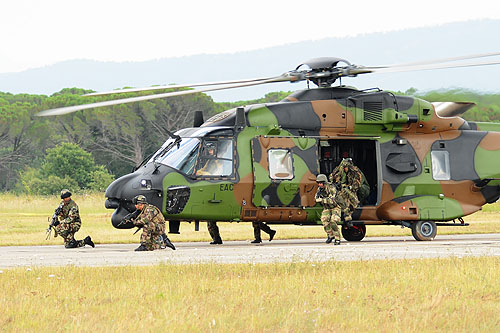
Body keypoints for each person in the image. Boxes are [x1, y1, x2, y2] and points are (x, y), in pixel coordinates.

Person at [329, 158, 367, 226]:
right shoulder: (339, 171)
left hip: (351, 190)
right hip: (341, 191)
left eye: (346, 167)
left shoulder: (355, 172)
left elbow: (358, 183)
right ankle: (345, 218)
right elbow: (331, 179)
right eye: (344, 167)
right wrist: (337, 184)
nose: (345, 169)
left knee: (350, 202)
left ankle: (348, 217)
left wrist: (349, 187)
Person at [315, 174, 343, 245]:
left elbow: (331, 200)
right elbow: (316, 198)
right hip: (327, 207)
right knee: (324, 220)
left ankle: (337, 238)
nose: (320, 184)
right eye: (318, 183)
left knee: (333, 221)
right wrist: (318, 198)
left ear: (325, 183)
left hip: (335, 207)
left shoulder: (331, 188)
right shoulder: (319, 189)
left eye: (321, 183)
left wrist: (322, 200)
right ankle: (330, 235)